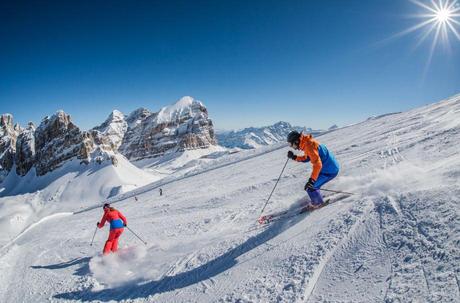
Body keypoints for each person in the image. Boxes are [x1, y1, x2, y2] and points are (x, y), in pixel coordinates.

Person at [286, 130, 340, 209]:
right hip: (327, 168)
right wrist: (294, 157)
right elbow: (307, 157)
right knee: (312, 186)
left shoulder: (309, 146)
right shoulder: (306, 143)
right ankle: (316, 196)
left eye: (291, 144)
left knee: (310, 188)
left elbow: (317, 165)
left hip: (329, 170)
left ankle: (318, 203)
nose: (291, 147)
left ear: (296, 141)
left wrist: (312, 181)